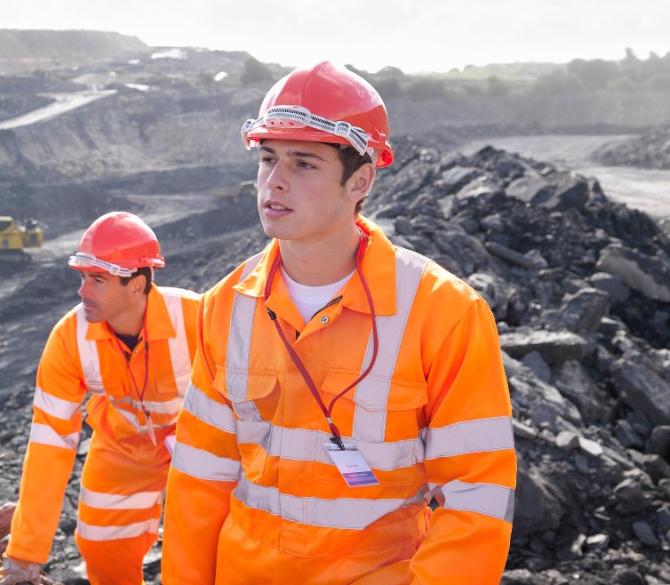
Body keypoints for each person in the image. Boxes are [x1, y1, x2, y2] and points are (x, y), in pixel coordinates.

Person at [162, 62, 517, 584]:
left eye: (304, 164)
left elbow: (477, 494)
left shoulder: (444, 312)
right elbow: (199, 479)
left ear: (362, 180)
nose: (274, 181)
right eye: (267, 159)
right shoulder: (226, 306)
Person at [0, 212, 203, 585]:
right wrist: (24, 555)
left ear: (136, 285)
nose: (82, 291)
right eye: (83, 277)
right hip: (124, 447)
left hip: (201, 444)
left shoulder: (195, 317)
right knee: (102, 542)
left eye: (97, 279)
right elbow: (50, 443)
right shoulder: (70, 338)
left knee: (201, 548)